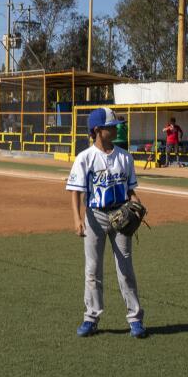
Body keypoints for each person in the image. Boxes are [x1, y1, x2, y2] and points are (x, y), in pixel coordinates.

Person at [65, 107, 146, 339]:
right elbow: (75, 192)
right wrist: (77, 219)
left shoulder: (124, 156)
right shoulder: (85, 158)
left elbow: (130, 189)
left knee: (125, 268)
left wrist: (136, 204)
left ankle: (135, 319)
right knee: (93, 269)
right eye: (111, 126)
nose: (115, 128)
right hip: (95, 217)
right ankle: (91, 318)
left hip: (121, 215)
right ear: (98, 130)